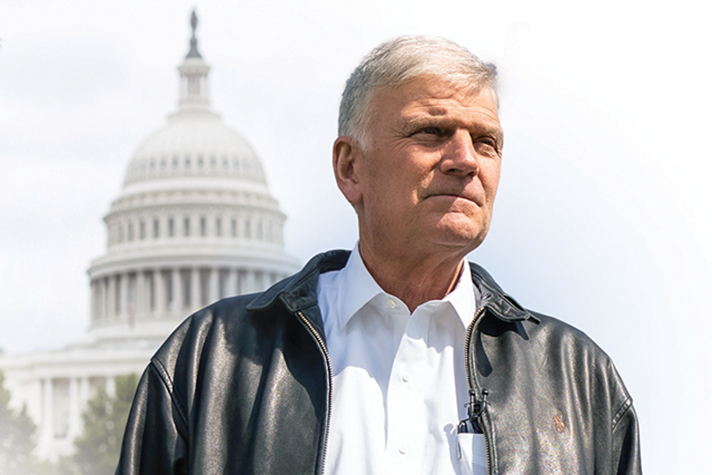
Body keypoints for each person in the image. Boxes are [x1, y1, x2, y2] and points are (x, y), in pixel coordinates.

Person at [116, 36, 641, 475]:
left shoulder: (577, 380)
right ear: (350, 167)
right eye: (432, 133)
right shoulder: (211, 363)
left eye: (486, 142)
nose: (464, 161)